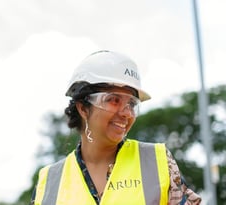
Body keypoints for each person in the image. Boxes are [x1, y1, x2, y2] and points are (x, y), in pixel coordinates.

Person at [30, 50, 202, 205]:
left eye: (132, 104)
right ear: (83, 108)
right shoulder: (49, 183)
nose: (127, 113)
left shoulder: (157, 162)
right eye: (113, 100)